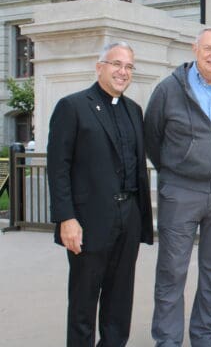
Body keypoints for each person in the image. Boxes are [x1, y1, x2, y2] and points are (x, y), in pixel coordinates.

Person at [145, 27, 211, 347]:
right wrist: (178, 167)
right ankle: (168, 340)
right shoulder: (168, 90)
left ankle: (204, 335)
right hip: (181, 191)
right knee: (172, 270)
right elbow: (152, 137)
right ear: (195, 49)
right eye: (208, 48)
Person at [48, 42, 154, 347]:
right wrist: (66, 218)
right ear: (99, 68)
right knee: (84, 301)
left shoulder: (134, 110)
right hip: (88, 220)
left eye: (129, 66)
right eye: (116, 64)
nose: (123, 72)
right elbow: (58, 168)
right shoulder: (72, 107)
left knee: (120, 299)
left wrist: (139, 217)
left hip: (129, 216)